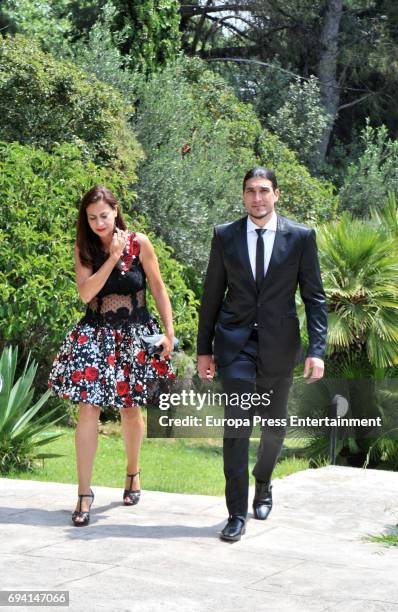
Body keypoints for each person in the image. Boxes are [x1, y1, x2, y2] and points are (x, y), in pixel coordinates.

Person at [197, 168, 327, 542]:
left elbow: (314, 298)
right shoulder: (225, 235)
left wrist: (317, 350)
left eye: (264, 191)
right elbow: (211, 296)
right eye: (250, 191)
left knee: (274, 424)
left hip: (279, 345)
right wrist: (204, 350)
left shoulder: (300, 237)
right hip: (235, 344)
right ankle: (236, 513)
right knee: (236, 427)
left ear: (276, 195)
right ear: (243, 196)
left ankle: (264, 481)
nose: (257, 198)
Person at [48, 185, 175, 526]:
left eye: (104, 216)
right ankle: (84, 493)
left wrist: (169, 332)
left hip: (134, 335)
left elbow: (159, 289)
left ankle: (133, 473)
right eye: (91, 218)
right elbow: (86, 292)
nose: (98, 223)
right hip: (94, 335)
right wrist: (114, 258)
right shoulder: (85, 248)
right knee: (87, 409)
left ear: (116, 211)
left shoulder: (141, 242)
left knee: (131, 410)